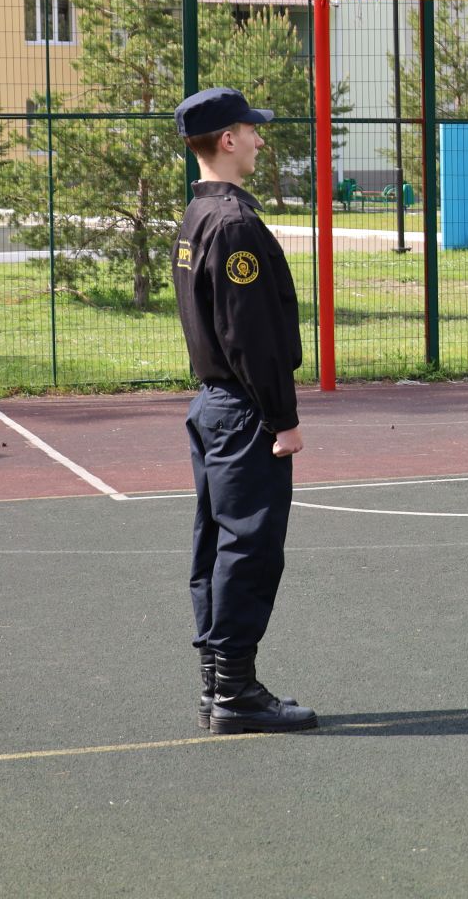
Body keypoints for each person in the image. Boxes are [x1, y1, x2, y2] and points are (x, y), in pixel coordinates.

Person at [172, 86, 316, 735]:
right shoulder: (232, 224)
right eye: (250, 130)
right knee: (248, 549)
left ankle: (217, 686)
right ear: (226, 140)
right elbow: (250, 336)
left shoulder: (197, 217)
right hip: (242, 409)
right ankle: (235, 692)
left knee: (217, 545)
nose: (259, 139)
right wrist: (283, 419)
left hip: (214, 405)